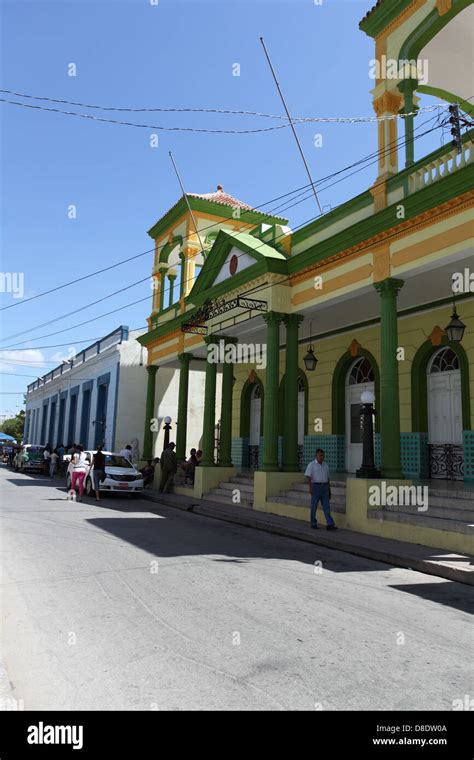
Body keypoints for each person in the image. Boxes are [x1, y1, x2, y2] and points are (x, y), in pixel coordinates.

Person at [304, 448, 337, 531]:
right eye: (320, 455)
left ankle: (330, 524)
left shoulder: (325, 465)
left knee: (327, 507)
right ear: (316, 456)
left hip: (325, 487)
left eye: (323, 455)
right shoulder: (311, 465)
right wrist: (310, 487)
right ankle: (313, 523)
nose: (322, 457)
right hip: (315, 486)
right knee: (314, 506)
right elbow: (308, 477)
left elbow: (328, 478)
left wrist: (329, 490)